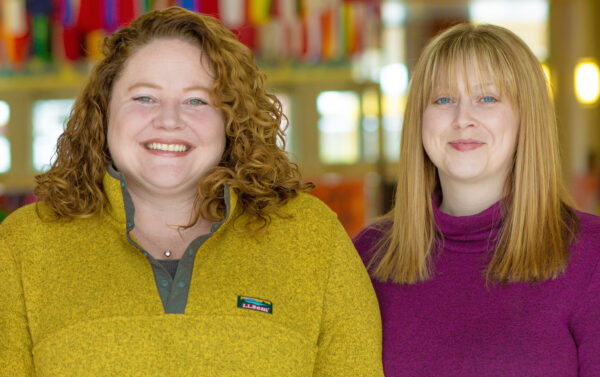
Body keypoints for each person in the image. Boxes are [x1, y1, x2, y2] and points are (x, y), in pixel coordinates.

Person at [0, 7, 383, 376]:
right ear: (103, 111)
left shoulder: (312, 239)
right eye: (144, 97)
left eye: (196, 100)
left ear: (231, 118)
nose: (168, 119)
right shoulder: (23, 247)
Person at [354, 23, 600, 376]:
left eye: (487, 99)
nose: (462, 119)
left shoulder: (591, 255)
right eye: (443, 99)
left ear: (526, 118)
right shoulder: (368, 257)